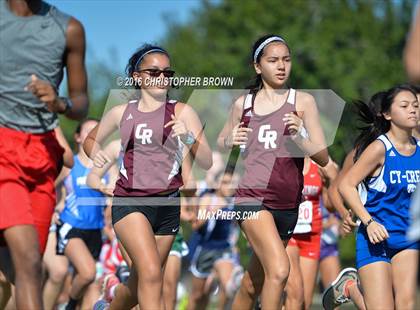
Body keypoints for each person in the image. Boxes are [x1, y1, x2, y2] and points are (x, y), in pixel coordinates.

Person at [85, 44, 213, 309]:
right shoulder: (122, 113)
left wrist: (188, 137)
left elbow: (207, 160)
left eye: (167, 73)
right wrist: (96, 154)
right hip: (130, 202)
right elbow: (90, 140)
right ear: (137, 76)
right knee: (152, 274)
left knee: (145, 279)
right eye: (153, 72)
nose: (161, 78)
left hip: (167, 206)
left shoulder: (182, 112)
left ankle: (108, 304)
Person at [217, 34, 328, 310]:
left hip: (288, 203)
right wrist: (231, 138)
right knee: (279, 270)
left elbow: (323, 156)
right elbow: (221, 142)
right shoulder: (243, 105)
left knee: (252, 283)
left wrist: (300, 135)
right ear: (258, 67)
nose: (281, 66)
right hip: (252, 198)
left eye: (286, 60)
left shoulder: (303, 102)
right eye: (273, 60)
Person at [0, 0, 88, 308]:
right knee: (27, 263)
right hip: (1, 149)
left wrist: (59, 102)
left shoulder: (70, 29)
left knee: (23, 271)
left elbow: (81, 102)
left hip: (41, 156)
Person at [339, 85, 420, 309]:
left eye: (415, 106)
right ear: (387, 114)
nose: (412, 110)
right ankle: (351, 288)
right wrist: (369, 221)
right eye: (404, 106)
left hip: (407, 240)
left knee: (406, 304)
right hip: (375, 239)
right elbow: (346, 185)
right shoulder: (379, 149)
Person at [284, 157, 337, 310]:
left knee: (305, 303)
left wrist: (329, 182)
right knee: (295, 292)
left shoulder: (320, 164)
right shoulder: (285, 161)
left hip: (312, 236)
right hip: (289, 234)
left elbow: (329, 206)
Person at [188, 170, 238, 310]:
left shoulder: (234, 202)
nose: (230, 186)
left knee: (229, 287)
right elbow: (196, 225)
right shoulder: (209, 199)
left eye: (233, 183)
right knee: (198, 296)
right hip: (205, 249)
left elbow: (236, 227)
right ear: (217, 184)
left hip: (224, 250)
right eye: (226, 183)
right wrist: (211, 212)